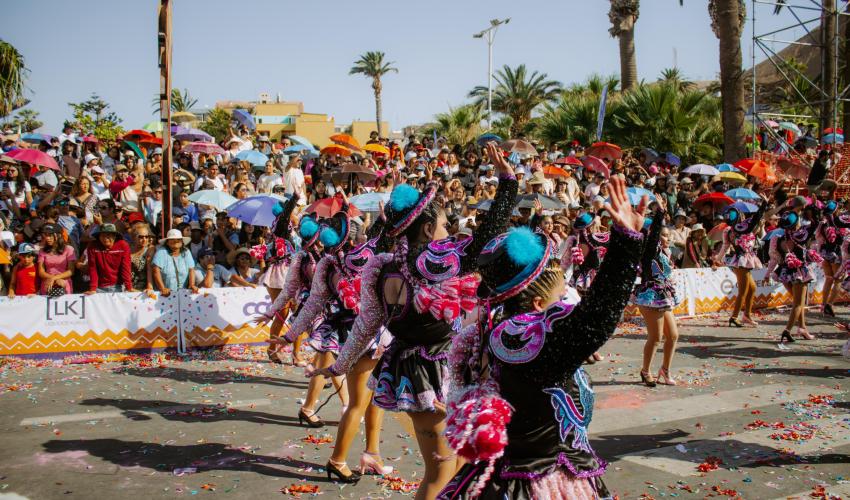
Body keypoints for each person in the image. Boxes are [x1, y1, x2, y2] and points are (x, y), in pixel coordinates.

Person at [315, 142, 518, 498]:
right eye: (442, 226)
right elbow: (486, 239)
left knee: (455, 468)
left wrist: (340, 365)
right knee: (441, 472)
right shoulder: (433, 266)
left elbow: (366, 326)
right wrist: (507, 183)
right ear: (426, 232)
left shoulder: (381, 268)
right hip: (430, 373)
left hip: (419, 367)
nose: (446, 233)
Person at [437, 175, 647, 499]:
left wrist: (508, 183)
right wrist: (626, 244)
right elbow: (595, 321)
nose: (567, 299)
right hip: (540, 482)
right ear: (537, 304)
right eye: (561, 292)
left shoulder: (498, 329)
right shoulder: (524, 341)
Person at [260, 213, 324, 364]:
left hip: (297, 272)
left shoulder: (303, 236)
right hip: (280, 274)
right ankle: (272, 349)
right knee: (281, 313)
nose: (296, 216)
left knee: (299, 314)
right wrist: (294, 197)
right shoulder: (282, 230)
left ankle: (296, 354)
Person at [634, 205, 681, 386]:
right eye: (663, 235)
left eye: (668, 236)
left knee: (673, 335)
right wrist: (660, 214)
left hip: (663, 294)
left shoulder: (664, 252)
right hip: (650, 295)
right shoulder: (647, 251)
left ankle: (665, 370)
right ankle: (645, 371)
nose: (666, 239)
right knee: (656, 337)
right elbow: (653, 236)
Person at [768, 211, 819, 345]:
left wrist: (767, 273)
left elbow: (774, 258)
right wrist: (813, 209)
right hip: (799, 272)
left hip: (784, 273)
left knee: (799, 302)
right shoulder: (800, 236)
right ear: (795, 223)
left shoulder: (777, 238)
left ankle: (802, 328)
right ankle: (787, 330)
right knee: (797, 303)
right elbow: (815, 224)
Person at [713, 198, 766, 327]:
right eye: (740, 214)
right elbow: (754, 220)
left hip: (744, 260)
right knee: (743, 291)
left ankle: (747, 315)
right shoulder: (739, 228)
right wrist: (764, 205)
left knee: (752, 288)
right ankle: (735, 317)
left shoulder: (733, 230)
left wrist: (718, 259)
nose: (743, 215)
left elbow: (725, 247)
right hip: (741, 261)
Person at [85, 223, 134, 294]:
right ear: (99, 237)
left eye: (108, 235)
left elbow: (126, 267)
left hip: (117, 286)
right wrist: (93, 288)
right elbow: (93, 268)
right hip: (99, 287)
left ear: (114, 236)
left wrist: (128, 287)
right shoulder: (92, 246)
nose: (105, 238)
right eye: (103, 235)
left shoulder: (123, 245)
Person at [152, 229, 197, 296]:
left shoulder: (186, 252)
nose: (176, 241)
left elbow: (191, 270)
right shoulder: (161, 252)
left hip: (183, 292)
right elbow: (156, 271)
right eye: (172, 239)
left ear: (182, 242)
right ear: (167, 242)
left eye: (178, 239)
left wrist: (192, 285)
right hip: (165, 294)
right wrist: (163, 288)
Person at [37, 223, 76, 296]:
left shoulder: (68, 249)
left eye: (50, 235)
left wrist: (55, 278)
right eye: (45, 235)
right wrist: (53, 279)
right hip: (47, 285)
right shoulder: (42, 251)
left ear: (58, 235)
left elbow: (71, 271)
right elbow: (41, 272)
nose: (47, 238)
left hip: (64, 283)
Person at [129, 224, 155, 292]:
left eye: (146, 237)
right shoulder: (128, 251)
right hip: (128, 289)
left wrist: (149, 288)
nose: (144, 239)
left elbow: (149, 270)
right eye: (141, 237)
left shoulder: (150, 250)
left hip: (144, 291)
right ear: (134, 237)